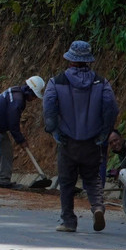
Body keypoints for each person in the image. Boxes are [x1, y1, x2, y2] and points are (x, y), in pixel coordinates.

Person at [43, 40, 119, 232]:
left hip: (68, 142)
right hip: (92, 141)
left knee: (67, 182)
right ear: (88, 61)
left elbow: (49, 108)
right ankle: (97, 207)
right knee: (92, 178)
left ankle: (68, 221)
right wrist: (104, 133)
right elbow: (111, 108)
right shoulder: (101, 83)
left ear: (70, 60)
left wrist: (54, 132)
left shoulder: (56, 82)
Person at [0, 75, 45, 188]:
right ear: (29, 91)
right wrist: (21, 140)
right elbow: (13, 124)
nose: (34, 99)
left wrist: (20, 139)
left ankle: (4, 181)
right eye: (34, 95)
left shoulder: (17, 91)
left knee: (7, 152)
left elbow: (11, 123)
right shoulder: (17, 100)